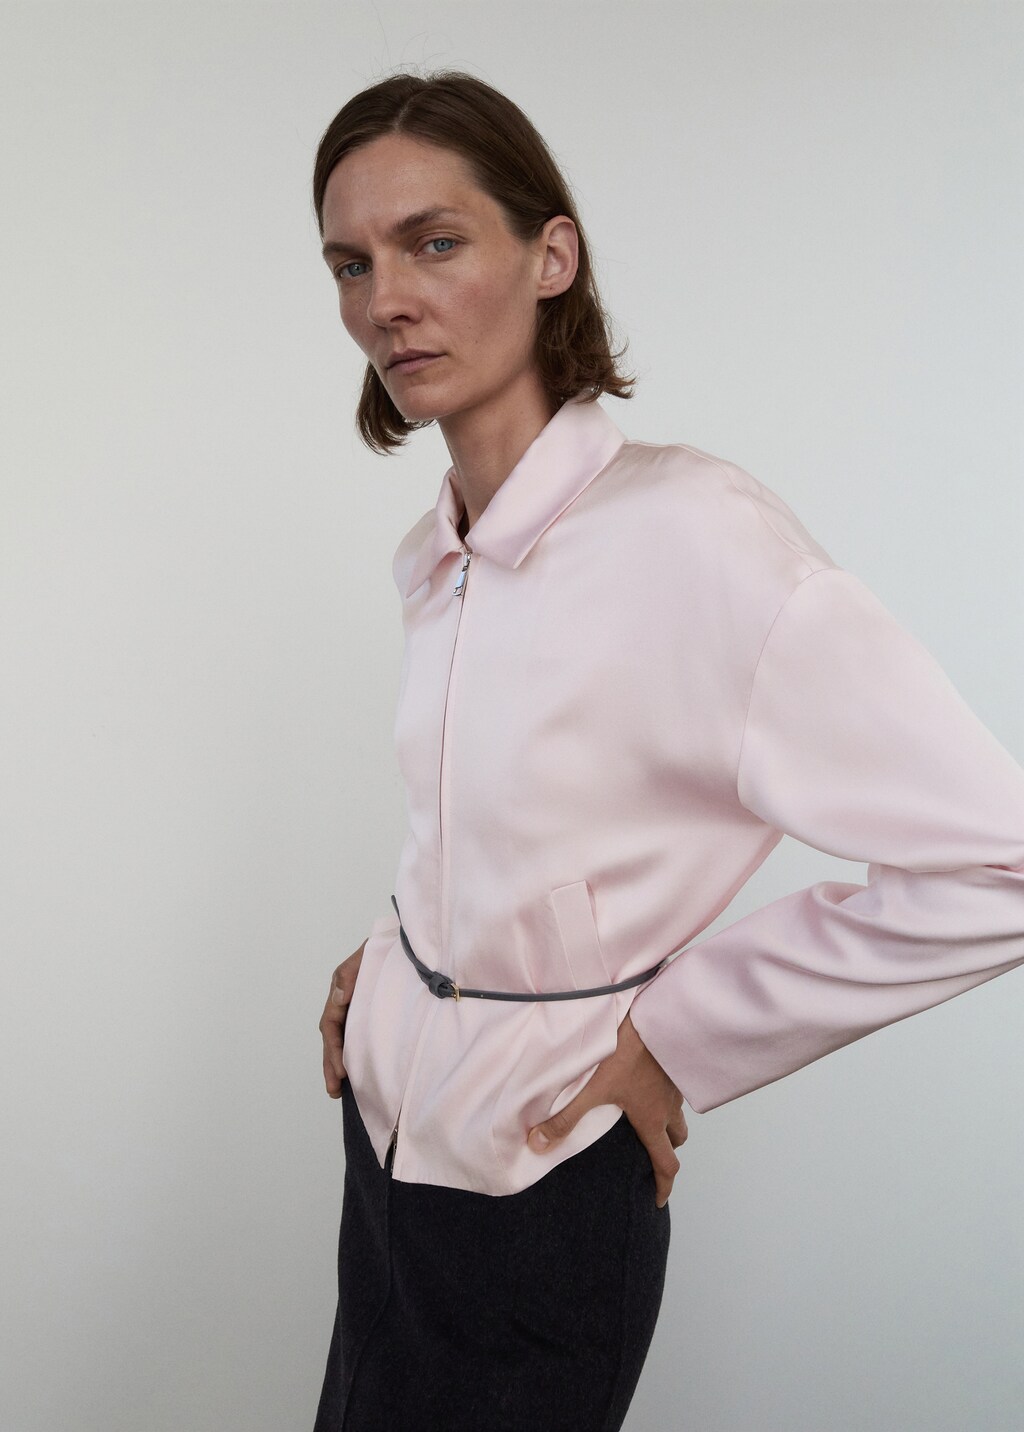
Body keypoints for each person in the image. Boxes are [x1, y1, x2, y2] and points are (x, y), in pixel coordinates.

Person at [311, 70, 1024, 1432]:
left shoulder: (697, 533)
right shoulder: (434, 554)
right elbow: (521, 825)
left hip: (543, 1175)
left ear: (552, 256)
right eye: (352, 262)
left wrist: (683, 1037)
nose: (384, 299)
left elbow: (1003, 861)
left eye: (434, 242)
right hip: (383, 1154)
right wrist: (403, 951)